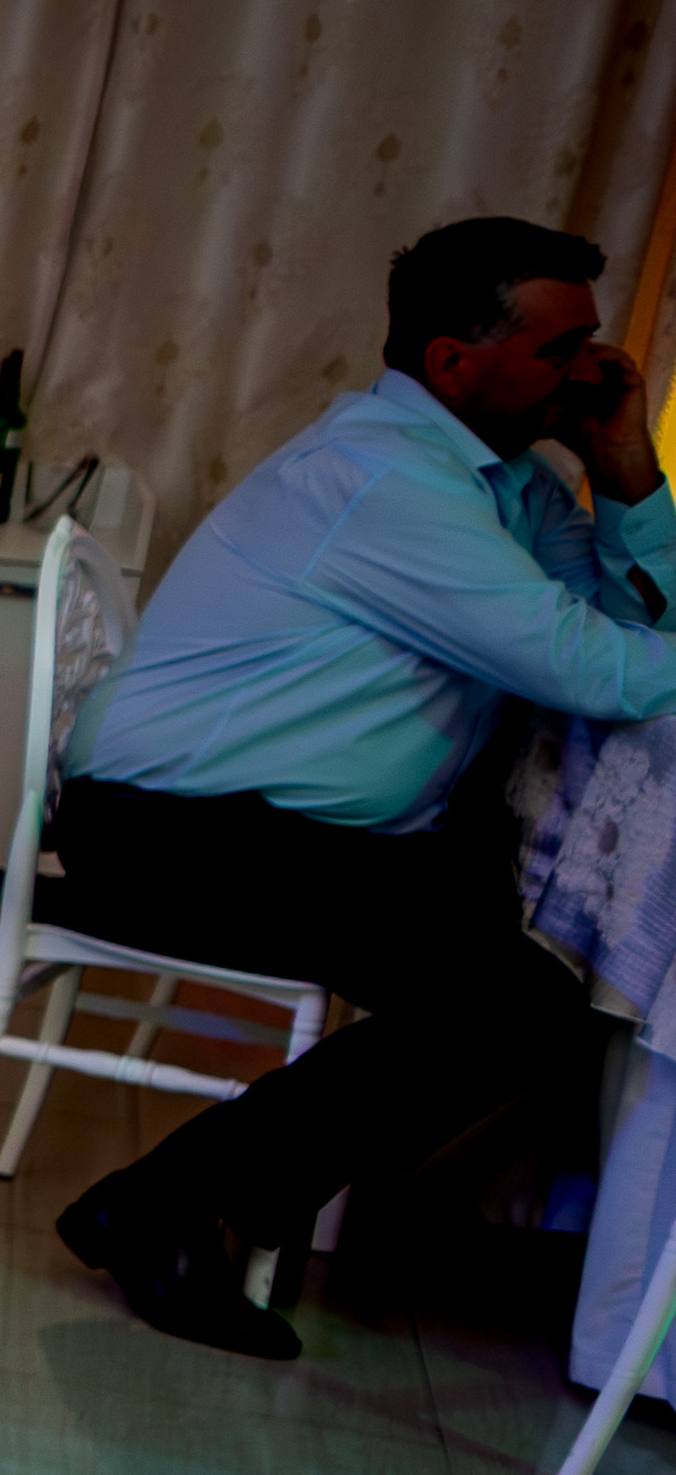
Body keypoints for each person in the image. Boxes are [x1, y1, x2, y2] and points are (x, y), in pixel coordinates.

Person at [52, 214, 675, 1358]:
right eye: (558, 349)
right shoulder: (382, 479)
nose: (589, 371)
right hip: (167, 833)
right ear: (449, 361)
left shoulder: (513, 483)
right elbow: (597, 671)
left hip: (302, 831)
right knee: (514, 1004)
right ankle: (167, 1205)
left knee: (518, 968)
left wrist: (626, 476)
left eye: (590, 344)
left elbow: (629, 626)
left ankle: (229, 1194)